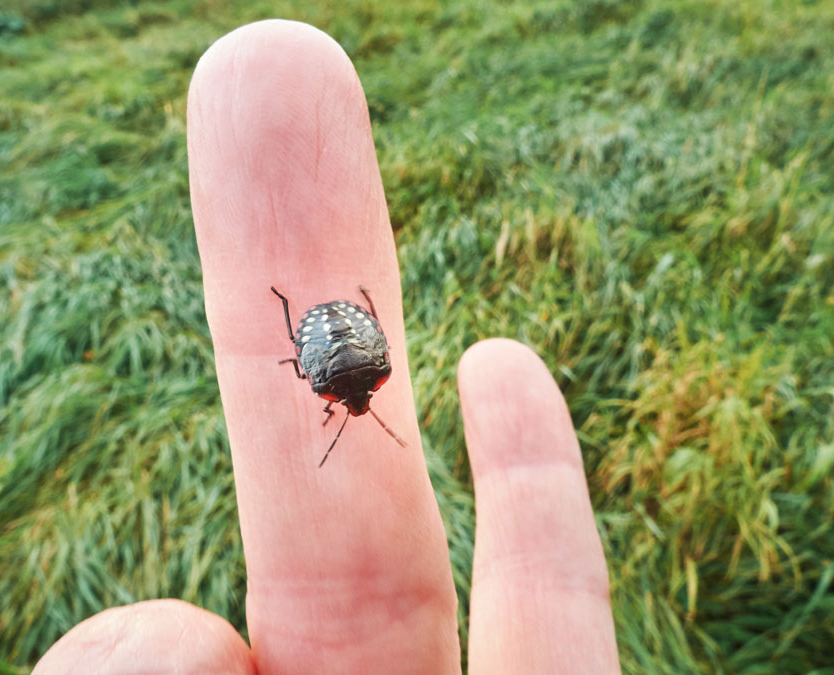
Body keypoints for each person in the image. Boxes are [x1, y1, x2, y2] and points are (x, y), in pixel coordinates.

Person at [34, 20, 620, 674]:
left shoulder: (371, 373)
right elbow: (321, 363)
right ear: (354, 399)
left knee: (303, 353)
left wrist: (331, 349)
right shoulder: (353, 379)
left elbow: (329, 358)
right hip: (332, 329)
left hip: (332, 327)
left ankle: (299, 311)